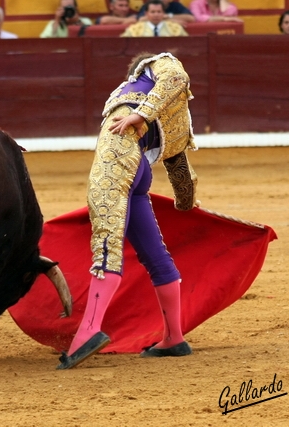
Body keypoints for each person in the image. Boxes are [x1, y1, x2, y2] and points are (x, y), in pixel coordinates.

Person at [56, 51, 198, 369]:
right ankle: (173, 336)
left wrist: (140, 115)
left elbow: (175, 78)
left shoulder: (156, 66)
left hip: (119, 151)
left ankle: (89, 330)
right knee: (155, 255)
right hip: (140, 169)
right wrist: (185, 203)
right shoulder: (177, 118)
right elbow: (180, 171)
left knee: (107, 240)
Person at [121, 0, 187, 37]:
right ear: (146, 13)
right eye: (153, 12)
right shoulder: (135, 29)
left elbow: (185, 45)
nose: (156, 15)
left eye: (159, 12)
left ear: (163, 13)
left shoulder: (175, 28)